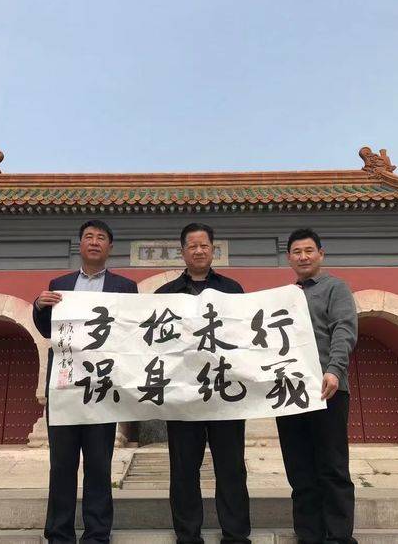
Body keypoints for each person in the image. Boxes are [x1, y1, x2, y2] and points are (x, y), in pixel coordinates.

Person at [33, 219, 138, 544]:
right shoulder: (60, 284)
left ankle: (97, 533)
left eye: (101, 237)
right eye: (89, 237)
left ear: (110, 247)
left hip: (102, 389)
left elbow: (132, 332)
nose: (94, 242)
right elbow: (49, 330)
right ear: (79, 244)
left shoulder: (125, 287)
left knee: (99, 465)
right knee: (61, 465)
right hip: (65, 386)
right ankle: (58, 533)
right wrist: (39, 307)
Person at [156, 222, 251, 544]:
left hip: (226, 394)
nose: (198, 251)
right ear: (182, 252)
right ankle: (187, 535)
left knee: (231, 468)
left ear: (213, 250)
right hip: (183, 398)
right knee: (184, 469)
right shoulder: (165, 295)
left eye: (204, 245)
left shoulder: (232, 290)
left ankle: (236, 535)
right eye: (192, 246)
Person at [277, 228, 358, 544]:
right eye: (297, 252)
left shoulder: (335, 288)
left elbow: (344, 329)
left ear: (321, 254)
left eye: (309, 250)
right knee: (299, 468)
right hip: (289, 393)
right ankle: (308, 534)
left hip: (327, 389)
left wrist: (334, 370)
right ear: (289, 258)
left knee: (332, 466)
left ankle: (338, 536)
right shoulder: (282, 297)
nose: (303, 257)